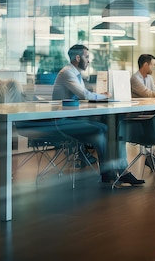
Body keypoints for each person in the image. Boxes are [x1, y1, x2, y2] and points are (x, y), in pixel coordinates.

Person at [51, 44, 143, 185]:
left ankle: (117, 171)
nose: (89, 61)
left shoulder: (75, 74)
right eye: (86, 57)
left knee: (115, 128)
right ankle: (111, 171)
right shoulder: (67, 73)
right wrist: (104, 96)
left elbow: (83, 97)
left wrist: (100, 96)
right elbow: (84, 95)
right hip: (64, 121)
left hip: (75, 117)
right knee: (105, 129)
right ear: (77, 58)